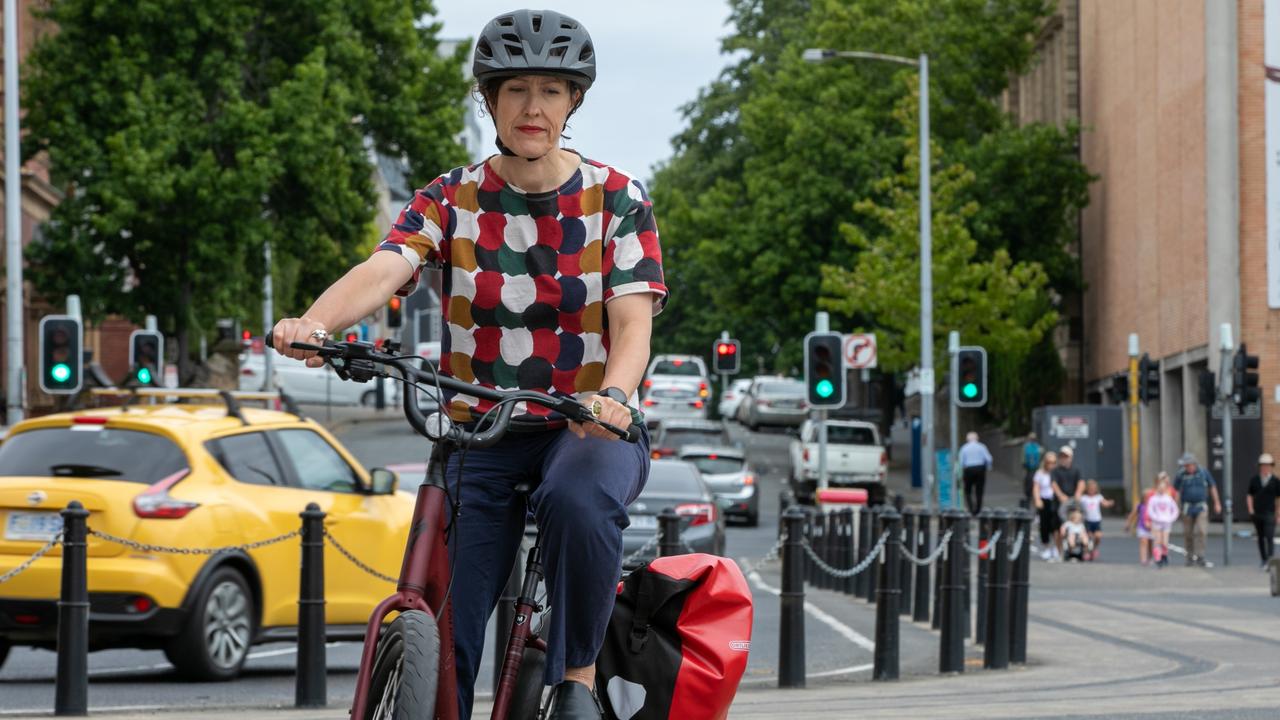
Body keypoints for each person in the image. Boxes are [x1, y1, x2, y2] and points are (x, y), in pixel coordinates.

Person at [272, 10, 667, 719]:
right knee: (445, 613)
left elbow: (632, 325)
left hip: (584, 426)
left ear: (574, 100)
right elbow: (386, 267)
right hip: (479, 431)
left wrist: (613, 396)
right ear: (489, 99)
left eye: (551, 89)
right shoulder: (450, 197)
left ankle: (574, 678)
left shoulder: (618, 199)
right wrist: (315, 322)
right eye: (515, 89)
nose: (533, 107)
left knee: (579, 501)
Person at [1173, 453, 1223, 568]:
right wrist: (1174, 506)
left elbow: (1212, 486)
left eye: (1188, 465)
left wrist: (1217, 502)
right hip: (1187, 507)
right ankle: (1189, 557)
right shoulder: (1181, 474)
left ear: (1193, 464)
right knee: (1188, 533)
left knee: (1202, 531)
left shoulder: (1203, 472)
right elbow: (1176, 491)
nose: (1186, 467)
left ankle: (1200, 556)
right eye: (1185, 465)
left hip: (1201, 507)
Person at [1246, 452, 1279, 568]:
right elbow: (1249, 495)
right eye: (1263, 465)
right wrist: (1250, 509)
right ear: (1260, 466)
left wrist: (1278, 514)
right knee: (1260, 537)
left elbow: (1278, 498)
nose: (1266, 467)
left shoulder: (1275, 481)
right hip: (1258, 513)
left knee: (1270, 536)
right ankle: (1263, 559)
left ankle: (1270, 560)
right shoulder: (1254, 480)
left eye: (1268, 465)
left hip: (1270, 513)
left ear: (1271, 466)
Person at [1051, 445, 1083, 556]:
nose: (1064, 458)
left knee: (1076, 526)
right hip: (1059, 503)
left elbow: (1081, 483)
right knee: (1057, 528)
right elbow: (1054, 484)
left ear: (1070, 457)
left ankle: (1075, 549)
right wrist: (1060, 495)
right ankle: (1058, 550)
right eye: (1062, 456)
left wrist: (1078, 494)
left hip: (1072, 504)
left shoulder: (1076, 470)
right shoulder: (1055, 471)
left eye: (1066, 456)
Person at [1146, 473, 1181, 568]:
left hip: (1166, 522)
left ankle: (1164, 555)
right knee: (1157, 541)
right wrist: (1154, 518)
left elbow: (1175, 509)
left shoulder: (1168, 498)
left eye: (1163, 487)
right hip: (1157, 522)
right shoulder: (1153, 498)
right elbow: (1150, 509)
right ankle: (1158, 558)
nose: (1161, 489)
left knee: (1165, 541)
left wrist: (1171, 518)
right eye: (1159, 487)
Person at [1033, 451, 1060, 561]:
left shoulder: (1057, 473)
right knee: (1044, 525)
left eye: (1053, 462)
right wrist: (1037, 499)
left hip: (1055, 501)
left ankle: (1056, 548)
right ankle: (1047, 547)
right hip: (1044, 500)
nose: (1051, 465)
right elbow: (1036, 487)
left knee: (1055, 526)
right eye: (1049, 462)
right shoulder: (1040, 473)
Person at [958, 431, 994, 515]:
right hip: (980, 469)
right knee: (979, 490)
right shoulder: (982, 446)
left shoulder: (964, 448)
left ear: (967, 439)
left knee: (968, 491)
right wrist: (988, 467)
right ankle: (978, 509)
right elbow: (989, 459)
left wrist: (961, 472)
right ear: (977, 438)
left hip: (969, 470)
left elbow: (960, 462)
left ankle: (971, 509)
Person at [1078, 479, 1114, 561]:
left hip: (1096, 520)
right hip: (1088, 520)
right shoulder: (1084, 498)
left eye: (1093, 489)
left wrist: (1109, 503)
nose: (1092, 490)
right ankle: (1086, 551)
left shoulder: (1098, 497)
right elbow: (1078, 502)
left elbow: (1105, 503)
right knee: (1088, 537)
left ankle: (1094, 549)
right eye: (1090, 489)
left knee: (1098, 536)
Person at [1125, 479, 1155, 565]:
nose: (1148, 498)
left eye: (1149, 497)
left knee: (1150, 543)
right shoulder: (1139, 505)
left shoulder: (1154, 505)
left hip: (1152, 527)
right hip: (1142, 527)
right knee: (1143, 541)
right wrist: (1128, 524)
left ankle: (1151, 557)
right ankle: (1143, 559)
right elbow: (1132, 515)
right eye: (1146, 497)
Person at [1022, 432, 1043, 502]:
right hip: (1028, 467)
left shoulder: (1038, 446)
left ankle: (1035, 494)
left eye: (1033, 438)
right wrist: (1023, 463)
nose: (1032, 439)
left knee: (1036, 481)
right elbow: (1023, 456)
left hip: (1036, 467)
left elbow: (1041, 455)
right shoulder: (1026, 446)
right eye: (1031, 438)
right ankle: (1028, 494)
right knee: (1028, 480)